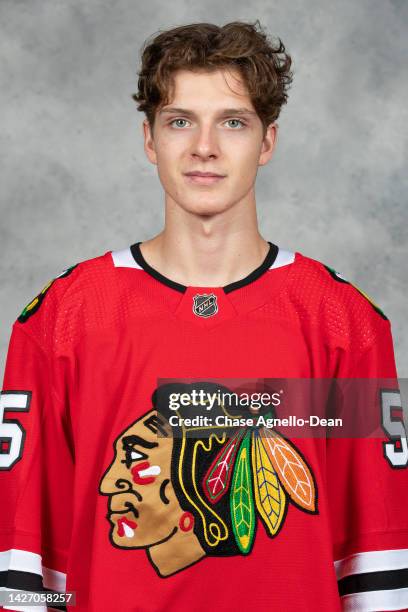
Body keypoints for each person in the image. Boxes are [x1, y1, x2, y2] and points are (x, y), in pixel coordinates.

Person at [1, 20, 407, 612]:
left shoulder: (344, 323)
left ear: (267, 142)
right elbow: (24, 555)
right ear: (150, 139)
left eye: (233, 122)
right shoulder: (63, 318)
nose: (204, 148)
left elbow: (376, 559)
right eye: (180, 121)